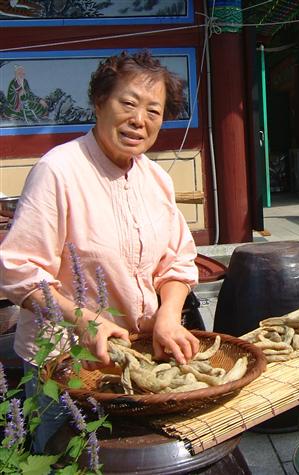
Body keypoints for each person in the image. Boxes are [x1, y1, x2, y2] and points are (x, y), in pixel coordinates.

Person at [0, 50, 200, 451]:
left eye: (154, 111)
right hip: (65, 367)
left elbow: (177, 259)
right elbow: (18, 271)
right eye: (127, 103)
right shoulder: (59, 171)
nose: (139, 120)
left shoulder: (156, 179)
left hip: (137, 358)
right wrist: (87, 323)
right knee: (67, 458)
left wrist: (169, 316)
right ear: (98, 102)